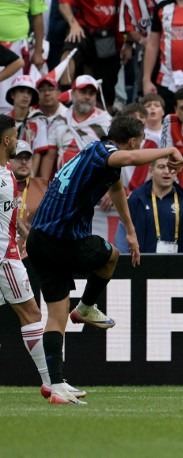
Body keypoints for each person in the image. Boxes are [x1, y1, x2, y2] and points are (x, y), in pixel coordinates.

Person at [26, 113, 183, 405]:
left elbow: (116, 188)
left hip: (39, 239)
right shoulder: (107, 153)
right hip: (61, 238)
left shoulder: (93, 151)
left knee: (57, 316)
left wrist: (131, 230)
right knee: (111, 255)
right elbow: (131, 159)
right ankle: (86, 307)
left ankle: (56, 385)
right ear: (133, 140)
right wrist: (169, 150)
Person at [0, 117, 85, 402]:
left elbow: (9, 217)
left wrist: (27, 235)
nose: (15, 141)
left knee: (32, 315)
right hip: (3, 259)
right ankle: (52, 383)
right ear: (6, 140)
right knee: (33, 315)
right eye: (14, 136)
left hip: (10, 252)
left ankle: (53, 383)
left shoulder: (7, 172)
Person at [116, 156, 183, 253]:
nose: (167, 171)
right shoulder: (135, 199)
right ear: (151, 171)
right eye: (161, 167)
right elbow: (123, 237)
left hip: (177, 266)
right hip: (142, 266)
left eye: (172, 167)